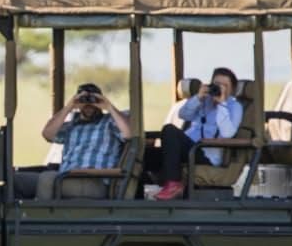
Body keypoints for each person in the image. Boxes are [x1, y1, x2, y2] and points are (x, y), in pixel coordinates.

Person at [150, 67, 242, 200]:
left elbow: (228, 133)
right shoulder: (204, 101)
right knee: (147, 154)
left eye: (225, 86)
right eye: (216, 84)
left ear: (232, 90)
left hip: (206, 154)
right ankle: (133, 196)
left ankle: (174, 184)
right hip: (190, 148)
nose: (219, 88)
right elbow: (183, 114)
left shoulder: (235, 107)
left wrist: (222, 104)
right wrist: (198, 97)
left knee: (169, 130)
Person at [27, 82, 133, 198]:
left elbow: (129, 134)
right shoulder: (72, 125)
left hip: (93, 181)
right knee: (15, 180)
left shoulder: (110, 122)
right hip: (65, 178)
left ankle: (43, 215)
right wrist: (69, 106)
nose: (88, 104)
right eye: (83, 100)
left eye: (93, 100)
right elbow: (47, 134)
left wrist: (108, 106)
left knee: (47, 179)